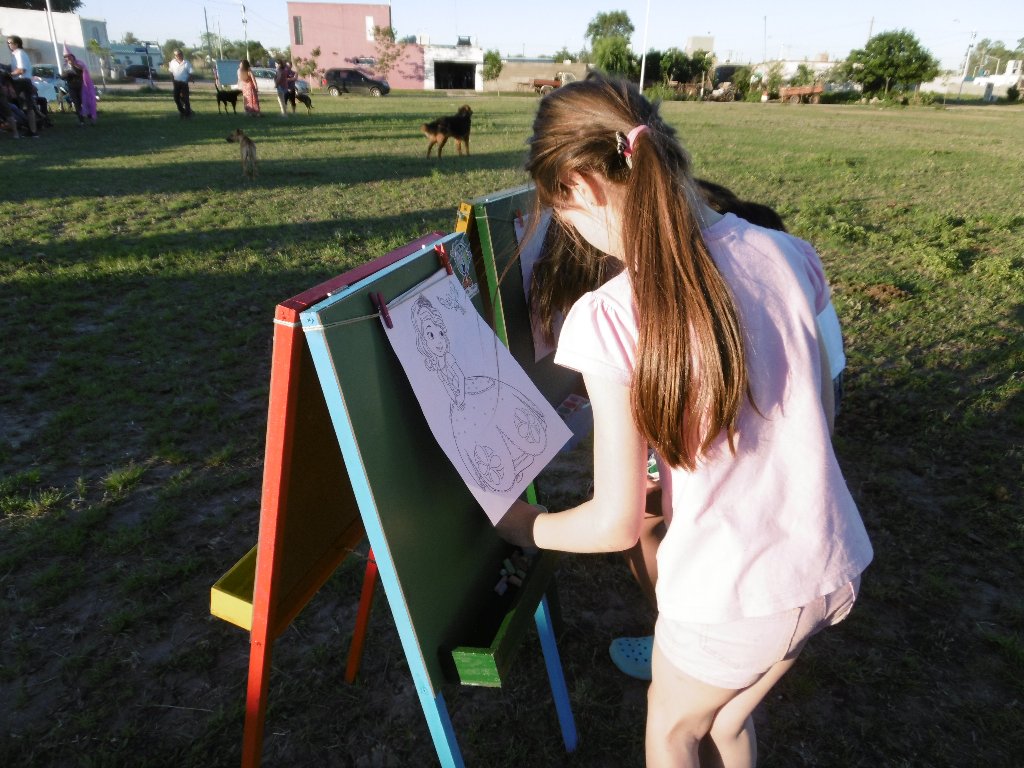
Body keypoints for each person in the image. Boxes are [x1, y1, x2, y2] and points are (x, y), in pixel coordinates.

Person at [497, 72, 872, 768]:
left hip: (730, 599)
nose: (571, 231)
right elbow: (819, 417)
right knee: (724, 723)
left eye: (562, 213)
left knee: (671, 731)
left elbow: (614, 524)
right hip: (831, 565)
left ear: (581, 184)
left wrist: (521, 525)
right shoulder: (787, 252)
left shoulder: (609, 315)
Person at [62, 46, 98, 125]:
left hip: (82, 87)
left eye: (69, 56)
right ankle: (81, 121)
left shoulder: (79, 63)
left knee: (85, 102)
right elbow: (63, 76)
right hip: (72, 87)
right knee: (76, 104)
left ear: (72, 56)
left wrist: (74, 65)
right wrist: (66, 75)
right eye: (66, 57)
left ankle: (90, 117)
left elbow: (83, 71)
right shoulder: (65, 66)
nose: (68, 58)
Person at [168, 49, 192, 118]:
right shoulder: (172, 62)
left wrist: (187, 80)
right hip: (176, 83)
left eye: (179, 54)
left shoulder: (186, 63)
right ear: (175, 56)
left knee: (185, 99)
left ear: (182, 54)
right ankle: (182, 111)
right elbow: (171, 72)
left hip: (184, 83)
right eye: (176, 55)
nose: (178, 56)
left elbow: (190, 73)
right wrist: (173, 81)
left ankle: (188, 114)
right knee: (176, 98)